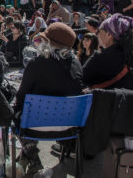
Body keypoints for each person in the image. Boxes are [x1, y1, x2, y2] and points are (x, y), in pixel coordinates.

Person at [14, 22, 83, 175]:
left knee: (14, 111)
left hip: (35, 125)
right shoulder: (77, 64)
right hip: (69, 126)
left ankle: (33, 158)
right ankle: (27, 157)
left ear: (49, 43)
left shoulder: (36, 64)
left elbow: (21, 96)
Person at [83, 13, 133, 91]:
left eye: (99, 32)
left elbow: (79, 80)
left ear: (109, 35)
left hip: (104, 102)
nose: (98, 35)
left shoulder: (100, 58)